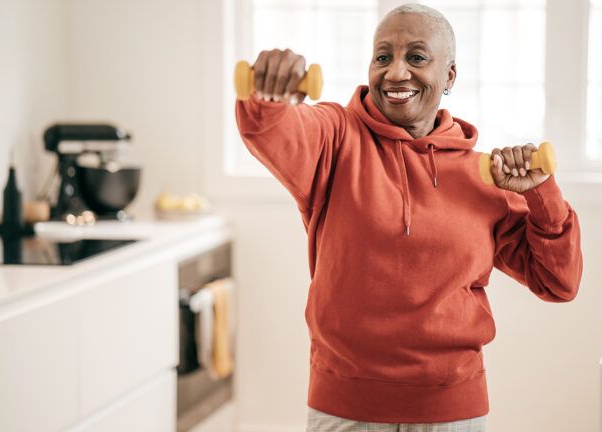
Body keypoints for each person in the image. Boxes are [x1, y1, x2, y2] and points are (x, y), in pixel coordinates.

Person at [235, 3, 583, 431]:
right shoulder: (336, 137)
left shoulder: (484, 175)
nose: (396, 73)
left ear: (449, 76)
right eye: (383, 57)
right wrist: (269, 96)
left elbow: (558, 282)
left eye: (416, 57)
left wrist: (540, 194)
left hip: (453, 409)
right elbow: (274, 130)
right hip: (345, 408)